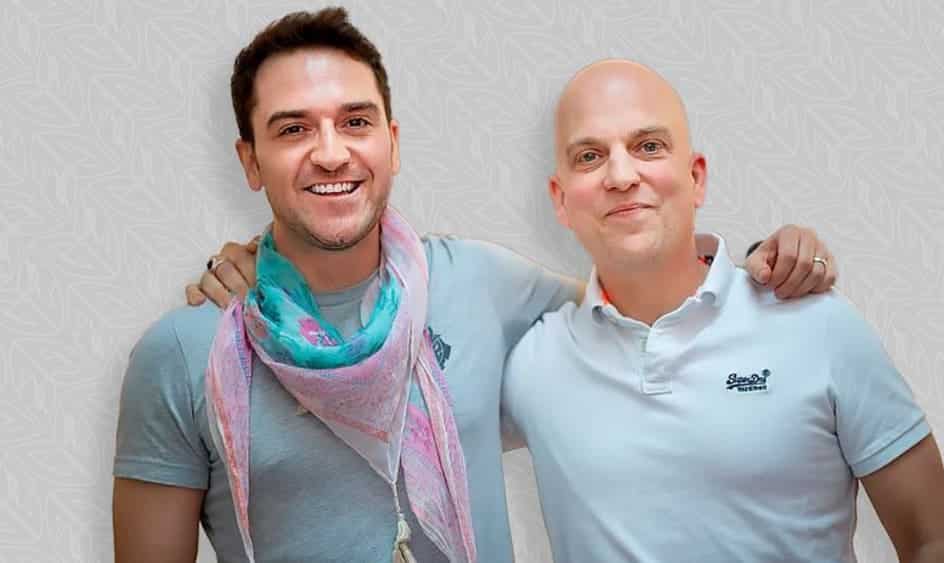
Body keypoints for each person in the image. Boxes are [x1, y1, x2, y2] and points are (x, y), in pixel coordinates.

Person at [115, 7, 836, 563]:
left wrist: (763, 263)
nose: (331, 152)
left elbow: (646, 309)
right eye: (293, 129)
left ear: (393, 142)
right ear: (250, 161)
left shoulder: (482, 285)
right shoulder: (185, 352)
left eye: (355, 121)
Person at [499, 59, 944, 562]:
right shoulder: (529, 364)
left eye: (648, 146)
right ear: (560, 200)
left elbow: (933, 543)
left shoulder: (818, 325)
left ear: (696, 177)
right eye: (590, 156)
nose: (621, 175)